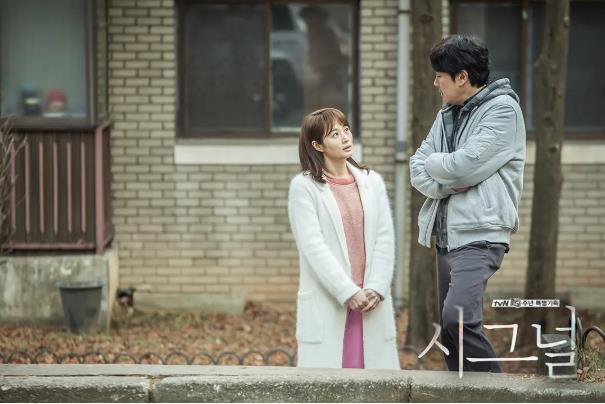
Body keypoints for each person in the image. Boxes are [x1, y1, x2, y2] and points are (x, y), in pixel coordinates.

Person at [409, 35, 526, 372]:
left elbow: (462, 167)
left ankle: (494, 393)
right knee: (451, 332)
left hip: (481, 234)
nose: (435, 83)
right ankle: (462, 391)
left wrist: (439, 165)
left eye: (439, 76)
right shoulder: (447, 114)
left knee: (457, 317)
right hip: (446, 235)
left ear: (462, 77)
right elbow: (417, 167)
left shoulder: (503, 111)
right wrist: (448, 181)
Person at [288, 107, 399, 369]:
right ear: (318, 145)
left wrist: (377, 287)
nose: (345, 138)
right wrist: (347, 291)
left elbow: (385, 238)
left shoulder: (373, 182)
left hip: (370, 302)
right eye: (335, 134)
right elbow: (312, 246)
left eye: (346, 130)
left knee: (375, 383)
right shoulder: (304, 187)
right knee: (330, 384)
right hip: (331, 300)